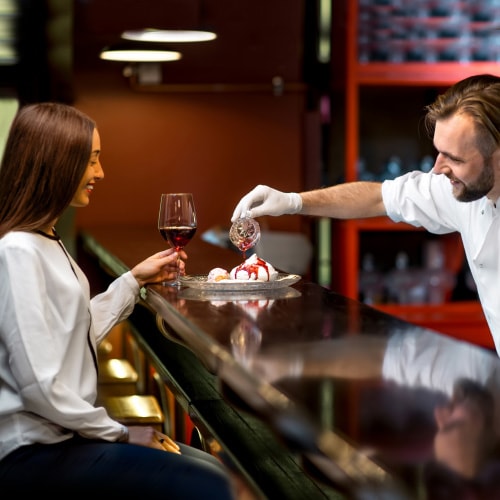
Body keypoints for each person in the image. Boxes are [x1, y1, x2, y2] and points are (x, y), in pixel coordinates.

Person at [0, 102, 236, 498]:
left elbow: (70, 334)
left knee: (211, 466)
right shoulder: (18, 252)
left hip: (62, 438)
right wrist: (120, 432)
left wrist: (132, 280)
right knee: (213, 485)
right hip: (32, 454)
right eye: (91, 161)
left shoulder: (42, 240)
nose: (100, 173)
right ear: (58, 165)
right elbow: (40, 385)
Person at [232, 73, 500, 357]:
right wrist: (293, 201)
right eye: (438, 152)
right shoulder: (460, 189)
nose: (437, 168)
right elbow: (376, 197)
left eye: (455, 158)